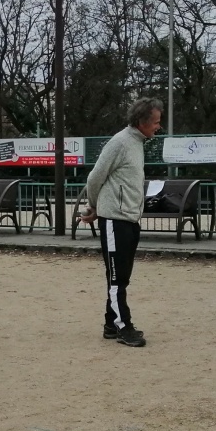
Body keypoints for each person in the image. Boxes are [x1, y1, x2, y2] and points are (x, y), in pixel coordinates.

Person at [79, 97, 163, 347]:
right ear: (142, 122)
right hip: (115, 219)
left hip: (128, 218)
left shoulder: (137, 143)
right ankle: (122, 325)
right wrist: (94, 206)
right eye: (156, 122)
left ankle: (110, 323)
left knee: (121, 276)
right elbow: (95, 178)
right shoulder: (120, 143)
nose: (159, 127)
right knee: (117, 277)